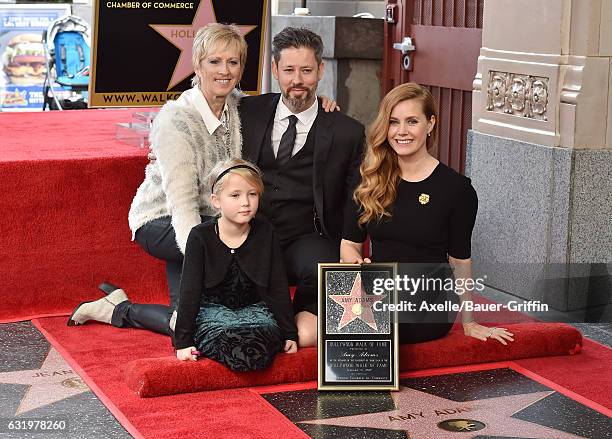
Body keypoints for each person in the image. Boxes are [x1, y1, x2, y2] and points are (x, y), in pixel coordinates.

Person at [68, 24, 246, 333]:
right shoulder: (176, 119)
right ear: (198, 64)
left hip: (207, 219)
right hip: (161, 219)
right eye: (214, 61)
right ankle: (125, 311)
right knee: (204, 308)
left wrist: (323, 104)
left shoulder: (237, 107)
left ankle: (114, 307)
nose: (225, 70)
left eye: (233, 62)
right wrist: (212, 253)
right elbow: (182, 203)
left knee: (186, 326)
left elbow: (280, 105)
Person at [340, 83, 514, 346]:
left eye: (412, 121)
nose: (401, 132)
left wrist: (469, 321)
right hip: (378, 290)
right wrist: (355, 265)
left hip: (429, 299)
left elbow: (460, 261)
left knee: (365, 321)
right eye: (393, 122)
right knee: (324, 307)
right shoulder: (368, 179)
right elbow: (349, 244)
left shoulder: (457, 189)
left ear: (430, 124)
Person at [239, 27, 365, 347]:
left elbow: (356, 194)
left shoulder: (347, 131)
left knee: (325, 266)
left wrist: (352, 243)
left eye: (307, 71)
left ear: (321, 70)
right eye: (290, 70)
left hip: (306, 235)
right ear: (275, 69)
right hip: (250, 230)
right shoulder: (247, 111)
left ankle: (299, 320)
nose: (298, 80)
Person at [173, 158, 297, 370]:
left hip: (254, 312)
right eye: (235, 195)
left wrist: (289, 333)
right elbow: (190, 291)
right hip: (213, 312)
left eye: (252, 194)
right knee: (232, 345)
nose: (246, 203)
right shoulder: (200, 236)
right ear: (216, 200)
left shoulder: (266, 231)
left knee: (257, 347)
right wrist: (183, 342)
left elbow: (277, 285)